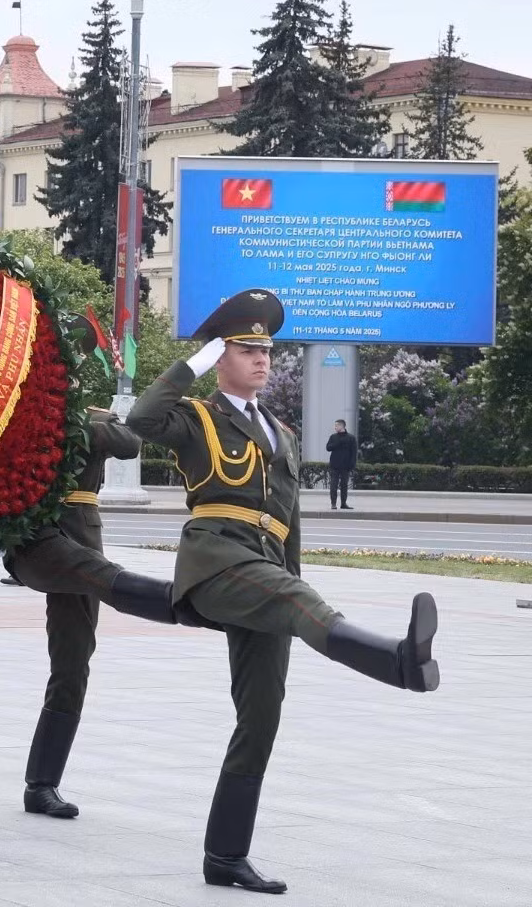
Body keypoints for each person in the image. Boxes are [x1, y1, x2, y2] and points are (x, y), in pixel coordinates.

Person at [128, 288, 439, 895]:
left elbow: (290, 521)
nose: (262, 359)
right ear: (221, 356)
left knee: (262, 716)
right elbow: (140, 419)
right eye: (246, 349)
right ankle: (397, 662)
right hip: (217, 560)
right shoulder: (197, 416)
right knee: (301, 605)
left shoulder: (283, 432)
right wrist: (190, 361)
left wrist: (293, 574)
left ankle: (225, 856)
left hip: (267, 569)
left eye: (266, 350)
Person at [6, 325, 196, 819]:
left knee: (72, 666)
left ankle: (41, 784)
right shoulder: (16, 414)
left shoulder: (88, 417)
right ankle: (179, 603)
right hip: (38, 541)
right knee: (97, 574)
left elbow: (131, 443)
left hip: (82, 537)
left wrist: (76, 422)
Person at [326, 419, 358, 510]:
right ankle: (333, 504)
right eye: (335, 426)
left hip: (346, 466)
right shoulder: (333, 437)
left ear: (342, 426)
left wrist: (352, 464)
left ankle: (343, 503)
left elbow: (354, 452)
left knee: (344, 485)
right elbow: (328, 448)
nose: (335, 427)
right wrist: (337, 443)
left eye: (336, 426)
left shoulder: (351, 438)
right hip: (334, 465)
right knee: (333, 485)